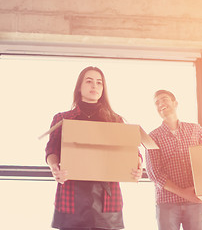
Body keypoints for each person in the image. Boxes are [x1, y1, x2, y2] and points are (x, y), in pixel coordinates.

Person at [45, 66, 143, 230]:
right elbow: (51, 150)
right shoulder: (63, 118)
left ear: (103, 89)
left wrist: (138, 165)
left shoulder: (115, 120)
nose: (94, 86)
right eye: (89, 81)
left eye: (99, 83)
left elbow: (133, 151)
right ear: (79, 87)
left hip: (106, 197)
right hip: (71, 193)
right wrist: (54, 167)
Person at [145, 90, 202, 230]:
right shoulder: (153, 137)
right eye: (156, 103)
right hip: (167, 203)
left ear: (175, 103)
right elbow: (155, 175)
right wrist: (184, 193)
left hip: (195, 201)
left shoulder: (195, 130)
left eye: (164, 99)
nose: (160, 104)